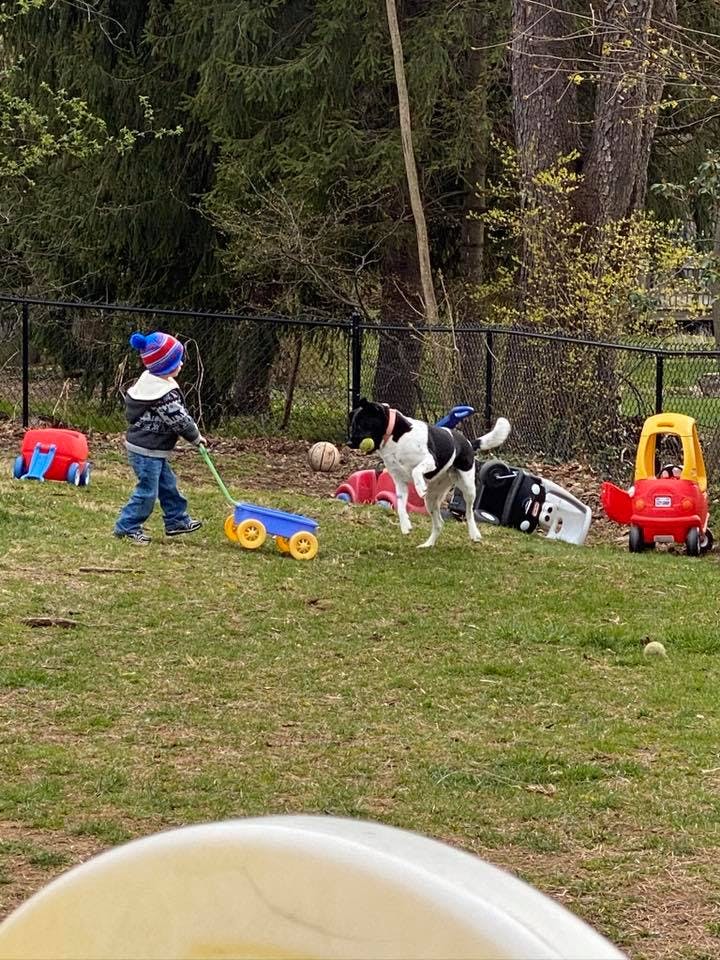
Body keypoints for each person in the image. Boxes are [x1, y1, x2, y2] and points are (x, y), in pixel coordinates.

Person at [114, 331, 206, 545]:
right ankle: (126, 527)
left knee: (168, 485)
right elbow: (179, 419)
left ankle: (176, 520)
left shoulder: (152, 382)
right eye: (177, 360)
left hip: (151, 448)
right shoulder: (162, 394)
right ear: (164, 367)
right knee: (147, 491)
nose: (181, 363)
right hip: (146, 450)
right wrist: (195, 437)